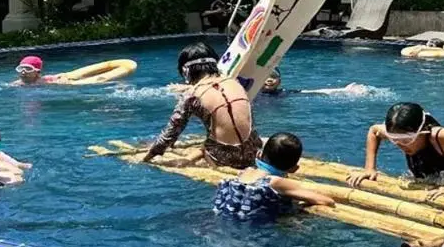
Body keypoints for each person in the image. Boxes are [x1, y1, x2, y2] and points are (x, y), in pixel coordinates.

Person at [143, 41, 262, 169]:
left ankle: (194, 157)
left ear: (185, 71)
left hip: (225, 159)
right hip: (254, 153)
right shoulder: (235, 83)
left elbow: (170, 134)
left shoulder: (191, 95)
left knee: (206, 145)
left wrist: (147, 159)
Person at [346, 103, 444, 199]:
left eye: (406, 140)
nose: (401, 145)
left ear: (422, 131)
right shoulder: (400, 133)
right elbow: (374, 131)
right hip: (429, 190)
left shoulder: (438, 136)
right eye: (394, 140)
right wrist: (369, 168)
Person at [212, 132, 335, 220]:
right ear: (294, 169)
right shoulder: (275, 182)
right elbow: (326, 201)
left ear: (259, 155)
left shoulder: (244, 173)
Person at [260, 68, 372, 97]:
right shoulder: (251, 93)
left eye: (274, 77)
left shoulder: (284, 93)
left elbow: (313, 91)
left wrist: (344, 90)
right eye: (265, 77)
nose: (269, 79)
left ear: (280, 81)